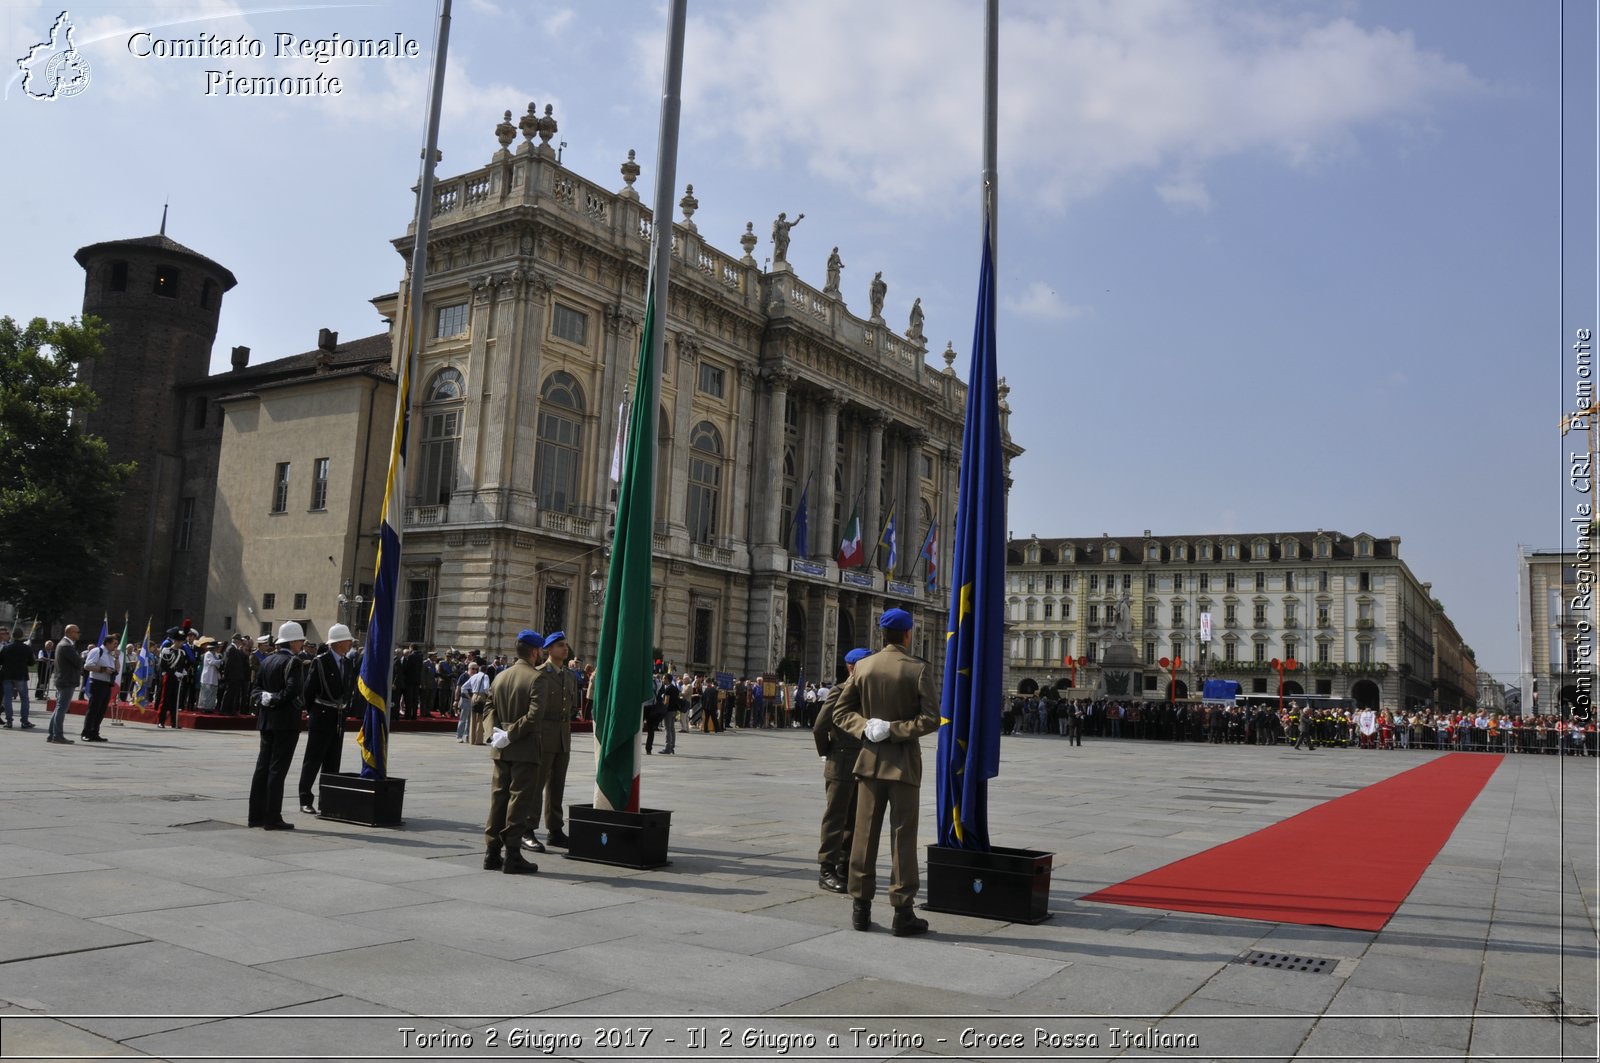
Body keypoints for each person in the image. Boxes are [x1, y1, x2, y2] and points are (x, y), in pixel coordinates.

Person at [831, 608, 938, 936]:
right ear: (908, 635)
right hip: (903, 765)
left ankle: (860, 908)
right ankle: (902, 911)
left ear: (882, 635)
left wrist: (866, 727)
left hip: (868, 762)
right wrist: (894, 730)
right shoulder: (918, 669)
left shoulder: (863, 667)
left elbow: (840, 712)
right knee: (903, 837)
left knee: (864, 835)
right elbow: (931, 719)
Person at [482, 630, 545, 874]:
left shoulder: (500, 677)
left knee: (498, 800)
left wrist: (495, 733)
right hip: (524, 748)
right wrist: (511, 734)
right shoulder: (536, 678)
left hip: (501, 749)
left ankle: (491, 853)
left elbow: (487, 706)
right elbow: (534, 715)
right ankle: (513, 855)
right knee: (519, 800)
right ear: (534, 652)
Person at [813, 647, 869, 894]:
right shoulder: (840, 691)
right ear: (851, 667)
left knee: (855, 818)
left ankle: (845, 866)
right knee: (836, 817)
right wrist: (829, 752)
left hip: (862, 762)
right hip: (841, 761)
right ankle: (827, 869)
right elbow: (819, 727)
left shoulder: (869, 693)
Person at [524, 631, 581, 853]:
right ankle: (527, 829)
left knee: (557, 784)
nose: (565, 649)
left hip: (563, 735)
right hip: (543, 734)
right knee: (537, 784)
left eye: (566, 645)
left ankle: (555, 829)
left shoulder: (569, 676)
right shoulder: (539, 674)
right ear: (548, 650)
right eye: (560, 645)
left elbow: (573, 706)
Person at [248, 621, 307, 830]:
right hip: (286, 721)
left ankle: (255, 816)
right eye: (300, 640)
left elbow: (255, 689)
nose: (301, 644)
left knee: (262, 767)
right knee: (277, 770)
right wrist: (275, 699)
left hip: (266, 720)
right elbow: (293, 691)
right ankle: (272, 817)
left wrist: (265, 698)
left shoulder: (267, 660)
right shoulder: (295, 662)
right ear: (292, 642)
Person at [297, 623, 355, 815]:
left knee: (333, 761)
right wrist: (314, 712)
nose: (350, 643)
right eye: (348, 640)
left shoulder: (347, 663)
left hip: (338, 716)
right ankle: (305, 798)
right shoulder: (321, 661)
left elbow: (347, 688)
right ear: (339, 643)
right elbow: (309, 690)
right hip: (321, 715)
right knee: (313, 759)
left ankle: (328, 800)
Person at [80, 631, 120, 742]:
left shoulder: (111, 655)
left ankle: (95, 732)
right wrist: (103, 669)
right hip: (97, 683)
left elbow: (117, 670)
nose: (116, 646)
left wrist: (117, 658)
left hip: (107, 685)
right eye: (114, 643)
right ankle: (86, 733)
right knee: (93, 709)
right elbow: (88, 665)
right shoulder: (98, 651)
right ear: (107, 643)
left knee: (101, 710)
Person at [48, 624, 83, 745]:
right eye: (77, 632)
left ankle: (52, 734)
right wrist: (82, 657)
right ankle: (57, 735)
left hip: (62, 679)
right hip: (67, 680)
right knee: (62, 708)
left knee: (59, 707)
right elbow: (78, 663)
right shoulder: (67, 646)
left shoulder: (63, 644)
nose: (79, 634)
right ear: (69, 632)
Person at [0, 625, 36, 729]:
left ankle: (9, 721)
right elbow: (31, 662)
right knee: (24, 698)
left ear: (12, 636)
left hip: (7, 674)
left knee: (7, 698)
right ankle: (24, 721)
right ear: (22, 636)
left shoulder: (6, 647)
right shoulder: (26, 648)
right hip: (21, 675)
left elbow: (0, 660)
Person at [646, 674, 680, 754]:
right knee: (672, 729)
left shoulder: (668, 689)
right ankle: (672, 746)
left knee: (667, 729)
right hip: (674, 711)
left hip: (668, 711)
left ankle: (667, 747)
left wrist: (663, 708)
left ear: (667, 679)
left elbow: (666, 701)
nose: (663, 680)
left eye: (664, 678)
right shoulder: (675, 688)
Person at [457, 660, 490, 742]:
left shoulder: (474, 676)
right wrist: (457, 699)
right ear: (469, 668)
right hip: (467, 699)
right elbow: (460, 688)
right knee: (464, 718)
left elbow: (463, 687)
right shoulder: (464, 675)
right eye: (473, 669)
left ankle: (468, 736)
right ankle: (459, 736)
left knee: (470, 719)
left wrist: (471, 697)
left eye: (476, 669)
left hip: (472, 698)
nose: (474, 670)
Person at [222, 634, 251, 715]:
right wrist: (226, 675)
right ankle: (225, 710)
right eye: (240, 641)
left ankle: (230, 710)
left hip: (236, 676)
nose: (241, 643)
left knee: (233, 694)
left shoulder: (235, 649)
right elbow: (228, 663)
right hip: (232, 676)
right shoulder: (231, 649)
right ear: (236, 640)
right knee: (229, 693)